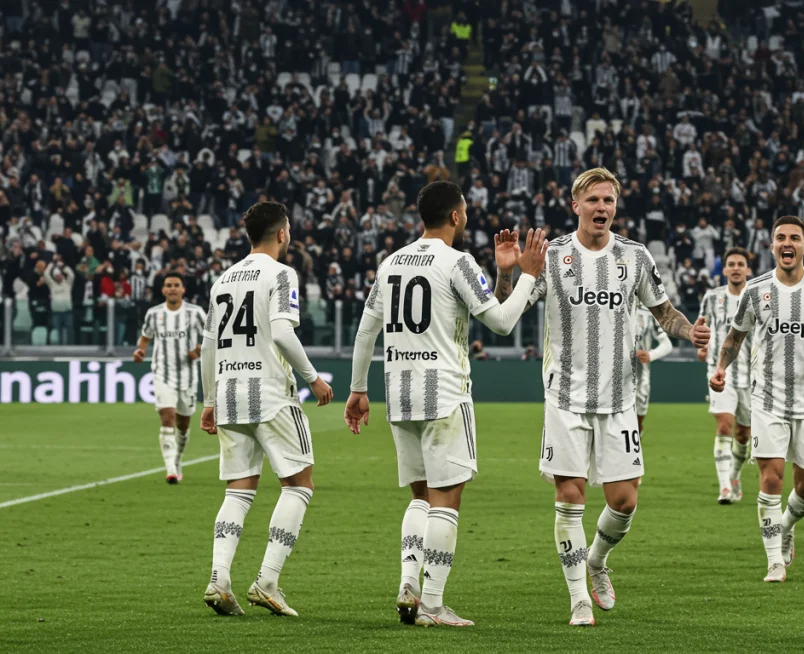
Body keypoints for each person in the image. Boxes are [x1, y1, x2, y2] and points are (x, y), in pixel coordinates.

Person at [492, 167, 710, 626]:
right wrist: (506, 273)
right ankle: (578, 600)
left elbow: (664, 312)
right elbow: (505, 315)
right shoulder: (552, 256)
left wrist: (690, 332)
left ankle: (596, 561)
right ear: (576, 205)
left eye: (608, 200)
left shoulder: (634, 256)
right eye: (593, 200)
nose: (602, 207)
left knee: (625, 501)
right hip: (565, 398)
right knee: (570, 496)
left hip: (619, 399)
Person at [342, 181, 547, 627]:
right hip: (445, 394)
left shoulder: (390, 263)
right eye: (465, 211)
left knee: (420, 496)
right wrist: (529, 273)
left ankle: (408, 584)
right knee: (446, 500)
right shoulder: (457, 262)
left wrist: (358, 389)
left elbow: (365, 331)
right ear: (456, 216)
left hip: (399, 394)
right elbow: (501, 323)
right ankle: (432, 605)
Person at [198, 201, 334, 616]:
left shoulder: (223, 279)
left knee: (238, 491)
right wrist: (313, 378)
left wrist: (208, 401)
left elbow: (208, 347)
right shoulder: (281, 273)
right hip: (271, 392)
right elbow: (282, 333)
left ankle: (219, 579)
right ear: (281, 233)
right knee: (299, 484)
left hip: (229, 392)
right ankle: (268, 581)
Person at [708, 215, 804, 583]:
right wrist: (721, 367)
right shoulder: (755, 290)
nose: (786, 243)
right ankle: (774, 560)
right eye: (780, 238)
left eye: (794, 238)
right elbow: (735, 338)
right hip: (767, 399)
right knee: (771, 478)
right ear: (772, 245)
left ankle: (786, 525)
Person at [132, 272, 207, 483]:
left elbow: (212, 336)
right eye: (168, 285)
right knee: (167, 417)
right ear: (163, 290)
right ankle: (171, 469)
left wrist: (199, 350)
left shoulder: (195, 313)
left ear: (183, 289)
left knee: (183, 424)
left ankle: (178, 458)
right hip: (162, 373)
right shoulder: (154, 314)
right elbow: (145, 337)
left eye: (176, 285)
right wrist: (140, 351)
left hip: (188, 375)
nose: (172, 288)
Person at [697, 247, 755, 504]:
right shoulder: (712, 298)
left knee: (744, 435)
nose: (735, 268)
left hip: (752, 377)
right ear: (725, 270)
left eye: (740, 264)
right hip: (720, 373)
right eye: (731, 264)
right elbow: (702, 327)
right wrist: (701, 346)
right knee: (724, 426)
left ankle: (734, 475)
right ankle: (724, 488)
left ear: (747, 269)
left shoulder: (758, 298)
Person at [634, 305, 673, 434]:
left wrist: (650, 355)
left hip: (640, 378)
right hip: (613, 377)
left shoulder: (648, 313)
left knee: (636, 425)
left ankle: (638, 438)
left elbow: (667, 345)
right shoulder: (609, 307)